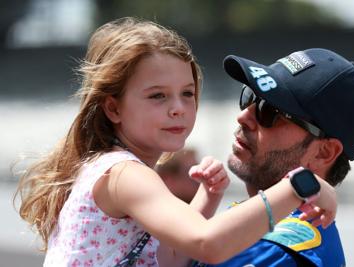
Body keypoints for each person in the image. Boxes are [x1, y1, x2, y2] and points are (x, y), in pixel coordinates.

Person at [14, 18, 337, 267]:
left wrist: (206, 199)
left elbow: (168, 258)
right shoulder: (125, 175)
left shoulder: (122, 171)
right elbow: (207, 243)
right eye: (157, 96)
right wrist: (299, 186)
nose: (177, 108)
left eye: (187, 93)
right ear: (113, 108)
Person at [200, 48, 354, 267]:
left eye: (270, 111)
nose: (244, 116)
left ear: (324, 152)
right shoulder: (258, 228)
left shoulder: (275, 251)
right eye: (249, 96)